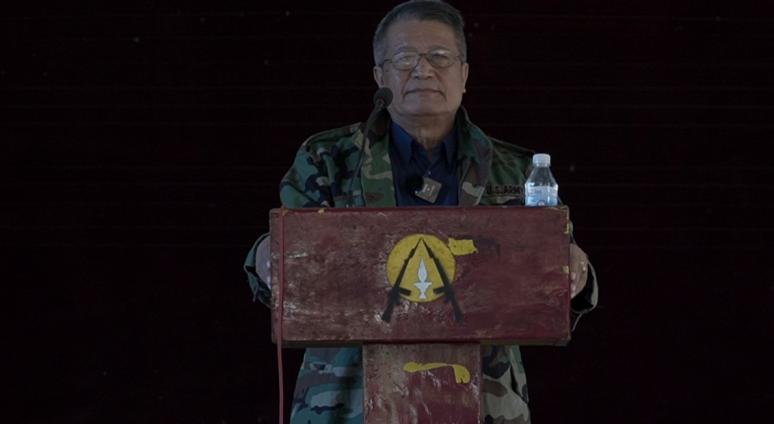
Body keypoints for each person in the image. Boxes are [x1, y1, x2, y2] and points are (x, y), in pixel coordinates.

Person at [243, 1, 598, 422]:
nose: (423, 70)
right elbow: (291, 255)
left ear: (464, 74)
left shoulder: (516, 169)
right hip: (348, 397)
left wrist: (575, 267)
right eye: (405, 58)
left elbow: (557, 267)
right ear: (380, 77)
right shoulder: (329, 159)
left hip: (483, 396)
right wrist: (265, 256)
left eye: (439, 57)